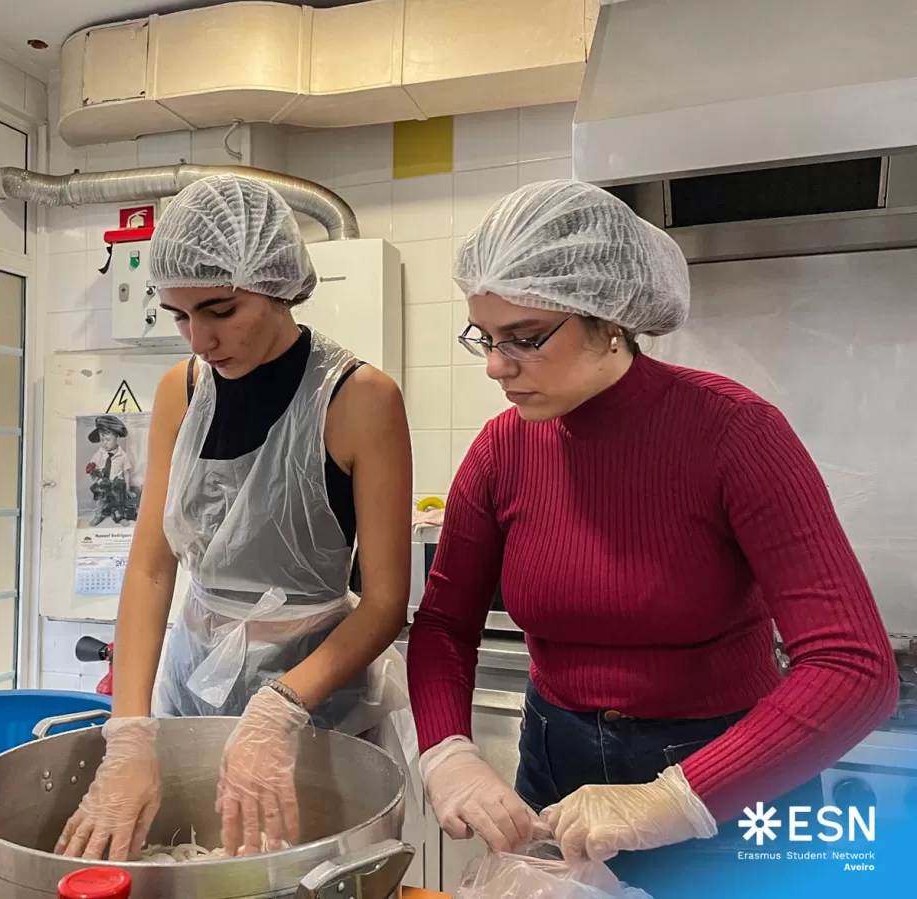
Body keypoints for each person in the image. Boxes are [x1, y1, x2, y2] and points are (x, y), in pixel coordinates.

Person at [407, 180, 898, 895]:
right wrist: (448, 749)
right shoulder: (501, 451)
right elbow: (446, 624)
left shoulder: (734, 432)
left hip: (730, 778)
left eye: (525, 337)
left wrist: (676, 796)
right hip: (555, 767)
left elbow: (854, 668)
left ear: (610, 319)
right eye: (486, 336)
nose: (494, 364)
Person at [56, 174, 413, 862]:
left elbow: (386, 601)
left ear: (277, 285)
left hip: (317, 702)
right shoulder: (179, 391)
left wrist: (281, 705)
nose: (200, 339)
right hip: (192, 681)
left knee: (297, 867)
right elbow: (153, 566)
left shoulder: (358, 397)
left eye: (219, 309)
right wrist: (127, 732)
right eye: (180, 315)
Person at [86, 414, 136, 526]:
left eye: (108, 439)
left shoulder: (122, 455)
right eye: (102, 439)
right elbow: (92, 468)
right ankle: (98, 516)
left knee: (118, 502)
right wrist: (97, 479)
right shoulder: (99, 454)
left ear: (117, 437)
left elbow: (126, 472)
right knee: (100, 500)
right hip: (103, 483)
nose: (104, 443)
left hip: (116, 485)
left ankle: (120, 517)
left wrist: (127, 489)